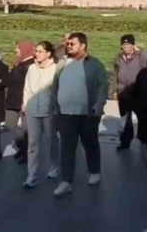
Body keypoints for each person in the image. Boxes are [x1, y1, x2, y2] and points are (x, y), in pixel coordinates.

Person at [52, 32, 108, 197]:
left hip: (87, 113)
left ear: (83, 45)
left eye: (72, 44)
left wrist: (99, 105)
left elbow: (102, 86)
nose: (68, 46)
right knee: (67, 148)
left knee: (90, 143)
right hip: (65, 114)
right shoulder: (62, 63)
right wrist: (54, 106)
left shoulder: (94, 64)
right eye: (67, 43)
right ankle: (66, 181)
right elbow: (54, 86)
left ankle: (94, 171)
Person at [22, 41, 61, 188]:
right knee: (32, 144)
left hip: (49, 111)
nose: (36, 54)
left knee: (51, 141)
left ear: (48, 53)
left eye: (39, 51)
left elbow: (58, 90)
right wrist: (25, 103)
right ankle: (31, 175)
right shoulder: (31, 68)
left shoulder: (56, 69)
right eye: (36, 51)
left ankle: (54, 166)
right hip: (32, 110)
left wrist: (56, 108)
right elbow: (27, 88)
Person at [114, 34, 147, 151]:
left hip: (137, 93)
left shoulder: (141, 56)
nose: (125, 47)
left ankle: (144, 139)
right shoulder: (119, 57)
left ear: (133, 45)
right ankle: (125, 142)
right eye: (123, 44)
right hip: (123, 92)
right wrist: (115, 89)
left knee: (142, 117)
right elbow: (115, 73)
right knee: (125, 119)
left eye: (128, 44)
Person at [6, 41, 35, 163]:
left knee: (25, 129)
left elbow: (31, 85)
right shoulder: (19, 63)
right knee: (9, 124)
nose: (15, 50)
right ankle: (22, 147)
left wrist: (26, 101)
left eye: (17, 48)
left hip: (24, 101)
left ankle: (27, 153)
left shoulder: (30, 65)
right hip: (13, 100)